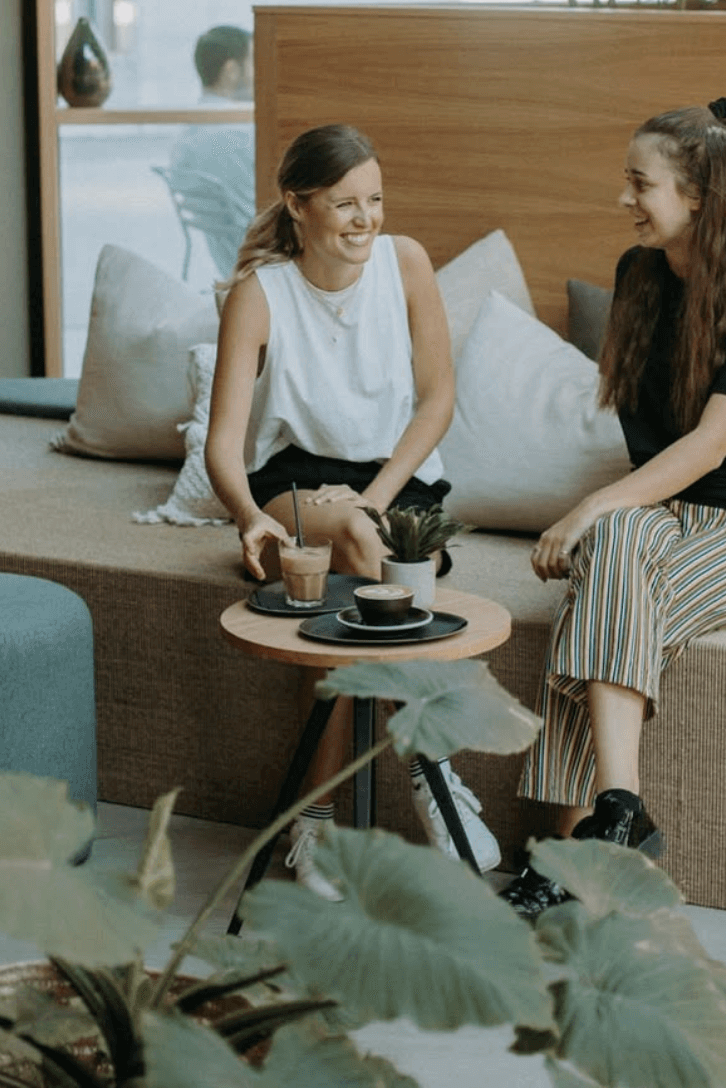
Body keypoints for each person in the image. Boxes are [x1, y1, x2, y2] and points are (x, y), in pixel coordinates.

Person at [501, 97, 726, 919]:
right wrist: (609, 514)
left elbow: (711, 448)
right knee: (614, 562)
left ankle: (567, 855)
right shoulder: (639, 275)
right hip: (663, 514)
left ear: (698, 197)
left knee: (600, 587)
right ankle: (621, 811)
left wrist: (588, 509)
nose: (625, 200)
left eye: (639, 184)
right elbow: (654, 458)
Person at [204, 121, 500, 893]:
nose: (366, 219)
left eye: (375, 199)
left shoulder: (405, 263)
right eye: (344, 204)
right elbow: (224, 447)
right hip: (297, 485)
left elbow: (437, 401)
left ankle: (312, 825)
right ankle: (437, 778)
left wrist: (371, 498)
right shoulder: (259, 296)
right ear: (296, 205)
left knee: (350, 607)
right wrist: (248, 516)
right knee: (366, 558)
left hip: (394, 481)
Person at [166, 25, 256, 278]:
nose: (260, 72)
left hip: (229, 267)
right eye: (253, 63)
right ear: (231, 71)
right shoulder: (241, 134)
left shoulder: (188, 135)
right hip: (266, 268)